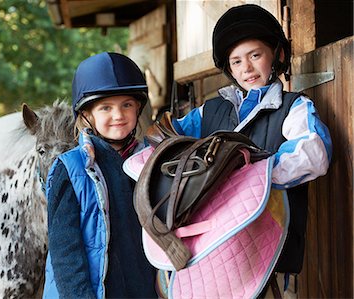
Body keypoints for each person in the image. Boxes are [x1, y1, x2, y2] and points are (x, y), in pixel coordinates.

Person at [166, 4, 332, 297]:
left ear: (277, 55)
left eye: (255, 55)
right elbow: (168, 139)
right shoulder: (210, 111)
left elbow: (313, 153)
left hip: (269, 249)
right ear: (228, 68)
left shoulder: (293, 107)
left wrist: (243, 174)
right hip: (212, 249)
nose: (247, 68)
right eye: (237, 61)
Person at [42, 52, 157, 298]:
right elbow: (65, 252)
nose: (118, 115)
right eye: (106, 107)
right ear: (87, 115)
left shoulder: (150, 160)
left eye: (127, 104)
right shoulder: (70, 169)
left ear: (138, 108)